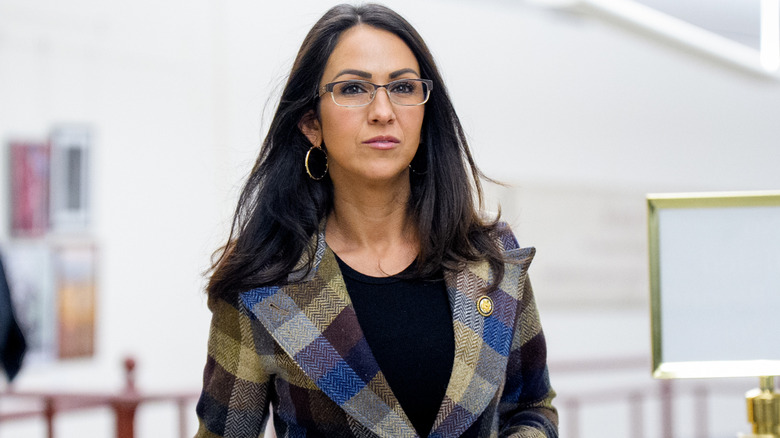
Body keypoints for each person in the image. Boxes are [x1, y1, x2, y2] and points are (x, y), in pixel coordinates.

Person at [195, 4, 557, 437]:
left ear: (425, 112)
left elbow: (532, 407)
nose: (383, 111)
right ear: (312, 122)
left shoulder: (489, 255)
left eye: (403, 87)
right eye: (353, 89)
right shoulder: (266, 279)